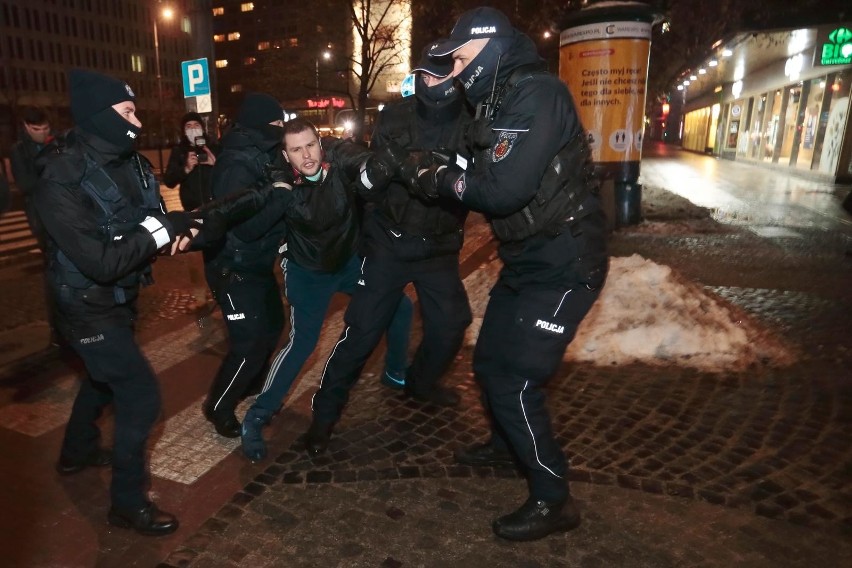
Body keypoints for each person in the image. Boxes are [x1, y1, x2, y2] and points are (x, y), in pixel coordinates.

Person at [407, 7, 609, 541]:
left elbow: (501, 190)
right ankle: (507, 446)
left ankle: (553, 498)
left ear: (489, 49)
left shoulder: (536, 94)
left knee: (514, 380)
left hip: (565, 260)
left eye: (462, 57)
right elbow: (477, 159)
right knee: (491, 359)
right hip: (527, 258)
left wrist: (440, 179)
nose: (455, 66)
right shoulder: (496, 98)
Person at [33, 69, 208, 536]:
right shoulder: (59, 174)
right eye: (127, 111)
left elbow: (150, 215)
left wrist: (174, 226)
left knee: (100, 377)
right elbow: (101, 261)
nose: (137, 121)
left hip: (120, 296)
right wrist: (159, 231)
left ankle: (77, 451)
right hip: (84, 303)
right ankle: (127, 503)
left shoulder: (130, 161)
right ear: (100, 115)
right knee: (140, 395)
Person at [302, 47, 473, 456]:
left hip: (440, 246)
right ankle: (323, 418)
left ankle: (421, 382)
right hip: (390, 242)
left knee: (452, 323)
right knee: (361, 332)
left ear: (457, 76)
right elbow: (370, 181)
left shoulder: (473, 118)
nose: (431, 84)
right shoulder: (395, 116)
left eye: (440, 76)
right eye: (424, 77)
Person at [239, 117, 413, 462]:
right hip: (307, 272)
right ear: (285, 156)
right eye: (295, 149)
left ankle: (395, 373)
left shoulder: (338, 159)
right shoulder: (282, 182)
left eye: (310, 145)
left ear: (321, 143)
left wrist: (375, 165)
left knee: (400, 306)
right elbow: (254, 215)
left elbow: (359, 159)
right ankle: (257, 415)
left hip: (347, 263)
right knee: (302, 344)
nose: (306, 155)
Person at [202, 92, 291, 438]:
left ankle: (251, 383)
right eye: (277, 124)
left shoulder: (262, 153)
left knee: (272, 326)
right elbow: (247, 227)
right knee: (248, 341)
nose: (281, 129)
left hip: (255, 263)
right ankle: (219, 406)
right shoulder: (236, 164)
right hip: (233, 266)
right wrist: (281, 196)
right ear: (260, 125)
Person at [162, 112, 218, 211]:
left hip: (216, 206)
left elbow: (229, 174)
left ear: (202, 128)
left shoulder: (213, 147)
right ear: (184, 131)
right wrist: (185, 169)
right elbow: (169, 181)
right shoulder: (179, 151)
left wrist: (215, 164)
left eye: (196, 125)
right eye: (189, 126)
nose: (193, 129)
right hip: (192, 209)